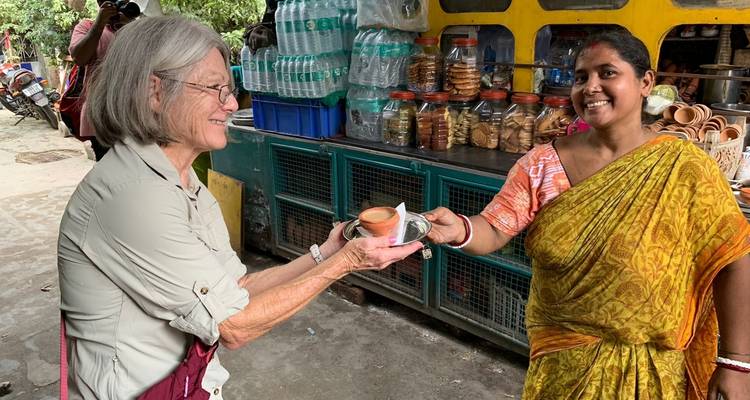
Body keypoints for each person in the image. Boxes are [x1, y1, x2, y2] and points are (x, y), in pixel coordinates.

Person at [57, 15, 423, 399]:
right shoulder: (132, 197)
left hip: (186, 386)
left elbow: (237, 289)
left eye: (229, 89)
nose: (231, 103)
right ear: (155, 92)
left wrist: (328, 251)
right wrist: (346, 263)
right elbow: (233, 325)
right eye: (215, 88)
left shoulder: (181, 181)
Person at [425, 30, 750, 400]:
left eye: (607, 73)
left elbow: (735, 259)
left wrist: (736, 362)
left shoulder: (684, 168)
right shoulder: (543, 164)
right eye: (581, 78)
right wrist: (460, 229)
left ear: (646, 82)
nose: (590, 87)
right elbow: (495, 228)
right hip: (565, 367)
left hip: (654, 375)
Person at [68, 0, 139, 160]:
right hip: (101, 114)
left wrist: (130, 28)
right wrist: (100, 24)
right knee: (111, 169)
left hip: (135, 113)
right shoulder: (86, 26)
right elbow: (79, 57)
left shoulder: (135, 28)